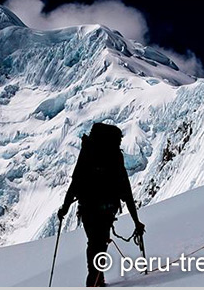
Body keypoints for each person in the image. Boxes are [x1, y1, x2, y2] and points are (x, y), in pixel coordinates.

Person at [58, 123, 145, 287]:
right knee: (100, 244)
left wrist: (65, 208)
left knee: (94, 243)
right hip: (106, 211)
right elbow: (125, 191)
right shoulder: (114, 157)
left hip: (87, 210)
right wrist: (136, 221)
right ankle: (96, 279)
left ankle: (96, 278)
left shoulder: (87, 153)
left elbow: (75, 184)